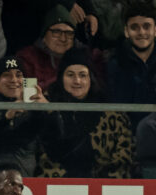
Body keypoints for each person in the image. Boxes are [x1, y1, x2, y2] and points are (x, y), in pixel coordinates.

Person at [38, 47, 134, 178]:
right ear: (61, 78)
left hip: (102, 189)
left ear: (91, 78)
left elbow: (123, 160)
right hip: (55, 187)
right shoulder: (46, 108)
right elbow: (40, 156)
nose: (77, 81)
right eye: (70, 75)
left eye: (82, 75)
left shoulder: (113, 115)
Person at [105, 3, 156, 129]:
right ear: (126, 31)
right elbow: (115, 108)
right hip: (128, 137)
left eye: (146, 26)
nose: (141, 32)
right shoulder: (115, 63)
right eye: (135, 27)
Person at [15, 4, 102, 92]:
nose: (63, 39)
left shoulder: (87, 56)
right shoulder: (28, 57)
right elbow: (29, 93)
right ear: (44, 36)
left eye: (68, 33)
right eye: (56, 32)